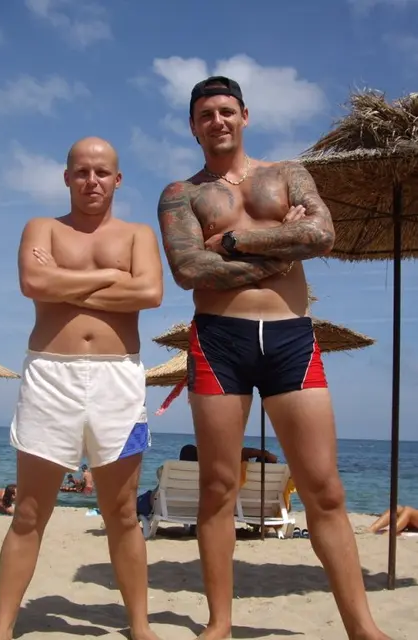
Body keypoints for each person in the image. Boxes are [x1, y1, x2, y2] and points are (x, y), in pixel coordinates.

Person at [157, 76, 390, 640]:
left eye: (226, 110)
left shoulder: (287, 173)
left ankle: (361, 627)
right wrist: (283, 250)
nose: (217, 120)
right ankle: (219, 623)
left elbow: (322, 235)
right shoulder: (180, 194)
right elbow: (189, 270)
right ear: (193, 127)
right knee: (218, 487)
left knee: (325, 488)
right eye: (206, 114)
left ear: (245, 116)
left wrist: (233, 243)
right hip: (219, 340)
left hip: (290, 338)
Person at [0, 137, 163, 640]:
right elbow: (33, 283)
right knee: (29, 512)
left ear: (118, 179)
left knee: (122, 513)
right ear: (67, 177)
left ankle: (139, 626)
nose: (92, 181)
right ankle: (1, 629)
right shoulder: (41, 228)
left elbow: (150, 291)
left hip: (117, 380)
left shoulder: (138, 235)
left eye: (102, 172)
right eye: (82, 172)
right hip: (51, 376)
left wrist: (63, 280)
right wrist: (112, 277)